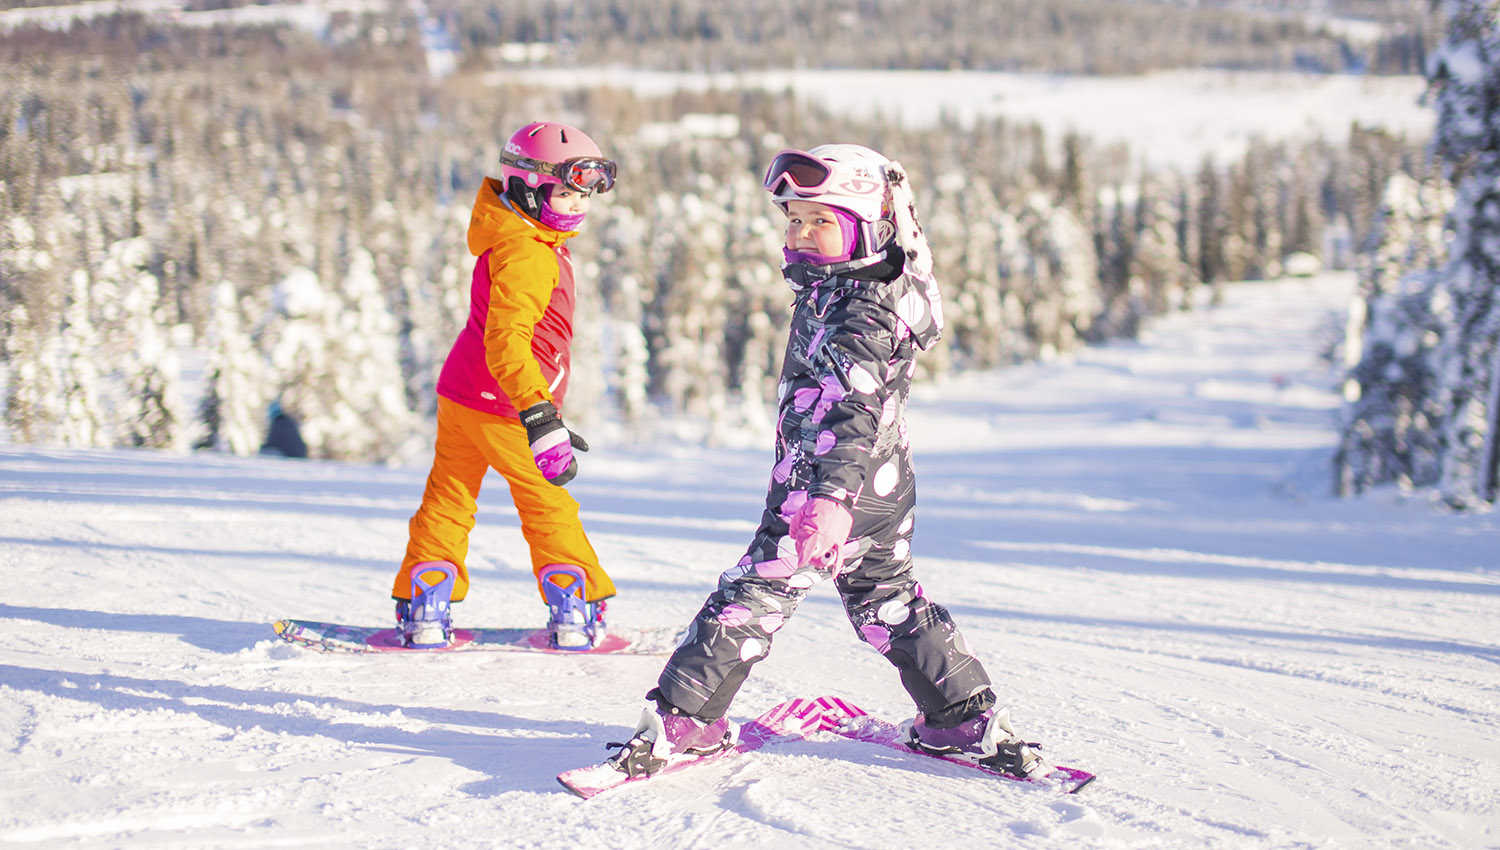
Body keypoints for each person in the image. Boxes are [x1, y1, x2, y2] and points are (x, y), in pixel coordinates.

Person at [604, 144, 1045, 778]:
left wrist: (829, 500)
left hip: (825, 487)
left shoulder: (857, 310)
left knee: (756, 593)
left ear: (868, 224)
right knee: (886, 596)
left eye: (822, 220)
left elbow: (852, 408)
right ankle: (961, 719)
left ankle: (686, 721)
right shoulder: (853, 287)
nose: (803, 234)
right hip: (881, 484)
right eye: (794, 219)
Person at [392, 120, 619, 650]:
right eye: (564, 193)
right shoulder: (529, 253)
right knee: (547, 502)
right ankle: (574, 608)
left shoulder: (518, 236)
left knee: (448, 498)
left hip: (462, 393)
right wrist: (539, 416)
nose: (577, 206)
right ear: (523, 186)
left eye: (583, 194)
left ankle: (427, 606)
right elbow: (507, 341)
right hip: (505, 402)